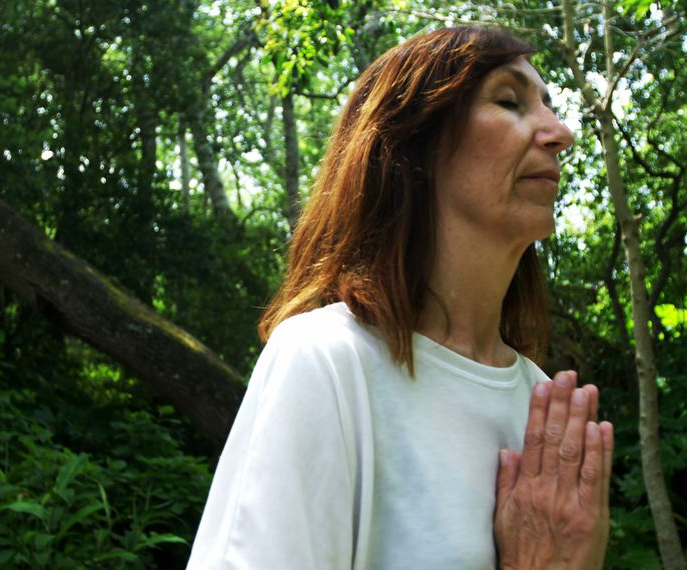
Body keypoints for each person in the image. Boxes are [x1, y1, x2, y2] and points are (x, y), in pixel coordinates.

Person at [187, 26, 613, 570]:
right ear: (414, 144)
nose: (560, 133)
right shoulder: (326, 361)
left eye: (551, 107)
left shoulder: (546, 408)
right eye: (509, 101)